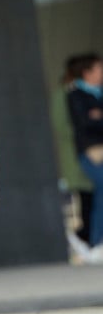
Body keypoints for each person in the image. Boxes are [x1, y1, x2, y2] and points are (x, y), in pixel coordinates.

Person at [51, 57, 95, 260]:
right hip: (78, 155)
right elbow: (64, 127)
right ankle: (83, 238)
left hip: (82, 153)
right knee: (86, 199)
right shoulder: (66, 94)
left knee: (89, 198)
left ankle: (87, 240)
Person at [66, 53, 103, 255]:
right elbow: (84, 124)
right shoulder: (75, 95)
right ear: (87, 72)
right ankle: (96, 240)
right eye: (98, 69)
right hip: (91, 153)